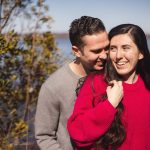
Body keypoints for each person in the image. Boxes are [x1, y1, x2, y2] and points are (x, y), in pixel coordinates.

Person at [67, 24, 150, 150]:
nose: (118, 56)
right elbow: (77, 133)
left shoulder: (147, 86)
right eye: (113, 48)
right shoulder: (96, 83)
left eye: (126, 48)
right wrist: (110, 104)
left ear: (141, 54)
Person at [34, 16, 109, 150]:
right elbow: (44, 137)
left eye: (107, 48)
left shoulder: (112, 73)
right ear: (77, 51)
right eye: (96, 51)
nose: (104, 55)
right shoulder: (53, 86)